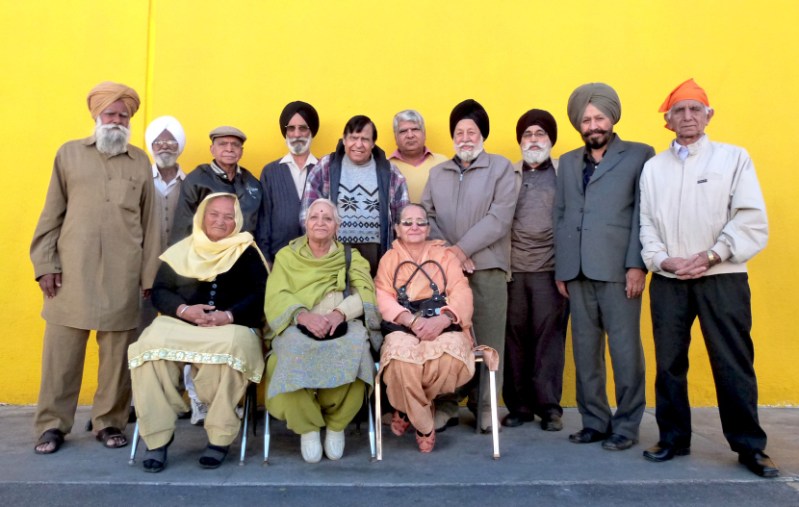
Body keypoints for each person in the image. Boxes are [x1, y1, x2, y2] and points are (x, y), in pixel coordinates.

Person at [639, 79, 778, 477]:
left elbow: (750, 217)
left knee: (733, 362)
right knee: (669, 364)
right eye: (679, 111)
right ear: (668, 121)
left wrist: (712, 255)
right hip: (670, 280)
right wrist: (664, 261)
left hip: (723, 276)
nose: (687, 117)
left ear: (708, 115)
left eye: (695, 110)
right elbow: (646, 224)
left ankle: (750, 447)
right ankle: (673, 438)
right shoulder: (653, 169)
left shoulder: (734, 159)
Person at [30, 81, 160, 454]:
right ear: (95, 115)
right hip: (71, 273)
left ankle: (109, 422)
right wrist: (45, 264)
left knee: (117, 359)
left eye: (123, 115)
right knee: (61, 356)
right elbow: (51, 214)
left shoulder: (139, 161)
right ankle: (52, 425)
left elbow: (151, 225)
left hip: (123, 275)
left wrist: (148, 275)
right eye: (110, 114)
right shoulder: (68, 155)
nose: (116, 120)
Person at [128, 193, 268, 472]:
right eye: (214, 214)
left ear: (237, 220)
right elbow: (161, 291)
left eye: (229, 216)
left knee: (230, 350)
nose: (221, 221)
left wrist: (227, 315)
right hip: (181, 323)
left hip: (230, 325)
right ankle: (157, 439)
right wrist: (183, 310)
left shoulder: (246, 250)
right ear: (202, 216)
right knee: (149, 347)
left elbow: (261, 294)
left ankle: (219, 437)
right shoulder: (183, 249)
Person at [554, 83, 654, 451]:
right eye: (586, 119)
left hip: (618, 270)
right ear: (578, 125)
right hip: (577, 272)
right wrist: (562, 269)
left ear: (612, 118)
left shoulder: (640, 155)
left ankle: (626, 426)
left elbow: (644, 213)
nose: (593, 125)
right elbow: (561, 214)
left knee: (626, 352)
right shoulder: (566, 162)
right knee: (584, 352)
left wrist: (637, 265)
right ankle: (595, 421)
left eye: (599, 117)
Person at [421, 99, 516, 433]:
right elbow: (427, 218)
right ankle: (446, 404)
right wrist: (452, 255)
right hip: (445, 273)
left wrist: (463, 250)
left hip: (487, 267)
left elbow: (500, 217)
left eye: (471, 131)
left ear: (482, 135)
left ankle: (486, 406)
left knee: (489, 341)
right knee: (448, 339)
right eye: (459, 131)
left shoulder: (501, 169)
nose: (465, 137)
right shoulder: (438, 172)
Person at [264, 198, 379, 463]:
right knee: (288, 356)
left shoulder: (351, 256)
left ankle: (337, 425)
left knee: (357, 352)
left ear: (337, 226)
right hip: (296, 324)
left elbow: (366, 292)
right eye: (314, 217)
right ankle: (309, 428)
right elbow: (276, 295)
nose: (320, 222)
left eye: (327, 218)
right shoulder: (287, 256)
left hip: (342, 323)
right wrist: (302, 316)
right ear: (305, 223)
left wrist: (340, 314)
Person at [375, 204, 475, 452]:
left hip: (443, 323)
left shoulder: (445, 256)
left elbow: (461, 291)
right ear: (397, 229)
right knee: (400, 362)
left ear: (429, 228)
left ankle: (407, 409)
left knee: (450, 359)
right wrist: (411, 320)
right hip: (404, 324)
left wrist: (443, 319)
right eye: (407, 223)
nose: (414, 227)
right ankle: (423, 424)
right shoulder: (390, 258)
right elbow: (382, 296)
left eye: (420, 222)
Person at [502, 109, 568, 431]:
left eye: (540, 134)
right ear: (520, 141)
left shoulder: (563, 174)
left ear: (551, 140)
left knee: (549, 339)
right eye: (527, 134)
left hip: (550, 271)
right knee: (514, 338)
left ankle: (549, 407)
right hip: (513, 270)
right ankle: (519, 406)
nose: (533, 140)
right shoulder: (507, 175)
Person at [301, 115, 409, 275]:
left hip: (378, 257)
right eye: (353, 138)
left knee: (371, 298)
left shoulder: (389, 172)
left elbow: (403, 219)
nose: (358, 144)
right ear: (344, 140)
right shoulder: (327, 166)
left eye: (365, 139)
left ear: (373, 143)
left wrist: (398, 260)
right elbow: (307, 213)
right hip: (333, 255)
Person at [170, 126, 261, 244]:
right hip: (207, 253)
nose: (229, 149)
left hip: (243, 253)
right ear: (212, 149)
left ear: (241, 151)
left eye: (235, 145)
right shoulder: (196, 180)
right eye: (222, 144)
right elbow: (182, 226)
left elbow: (260, 225)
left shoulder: (252, 183)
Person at [257, 101, 320, 264]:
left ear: (311, 131)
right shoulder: (270, 172)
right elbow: (263, 221)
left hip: (318, 261)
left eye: (303, 128)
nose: (297, 134)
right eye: (291, 128)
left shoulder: (324, 169)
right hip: (280, 260)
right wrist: (266, 261)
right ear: (285, 133)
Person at [388, 110, 448, 202]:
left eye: (415, 129)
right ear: (395, 137)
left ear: (424, 134)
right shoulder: (386, 167)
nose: (410, 135)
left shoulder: (443, 163)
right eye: (403, 131)